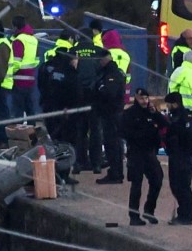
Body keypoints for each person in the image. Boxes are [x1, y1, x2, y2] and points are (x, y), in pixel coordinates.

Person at [122, 88, 167, 225]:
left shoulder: (151, 112)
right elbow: (124, 132)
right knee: (137, 184)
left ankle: (149, 210)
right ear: (136, 98)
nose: (144, 101)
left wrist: (156, 113)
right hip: (136, 153)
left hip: (149, 152)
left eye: (146, 98)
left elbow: (165, 124)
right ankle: (134, 216)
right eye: (142, 98)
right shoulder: (130, 114)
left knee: (157, 179)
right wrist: (141, 135)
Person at [37, 44, 79, 184]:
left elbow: (42, 86)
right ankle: (63, 175)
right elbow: (75, 92)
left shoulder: (49, 68)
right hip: (66, 113)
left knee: (54, 141)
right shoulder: (70, 72)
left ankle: (53, 173)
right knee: (66, 144)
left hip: (50, 109)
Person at [164, 92, 192, 225]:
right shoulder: (174, 116)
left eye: (169, 104)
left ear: (175, 104)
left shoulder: (186, 117)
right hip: (175, 155)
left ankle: (186, 215)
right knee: (175, 185)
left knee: (183, 186)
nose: (168, 107)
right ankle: (182, 213)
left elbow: (188, 137)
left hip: (184, 156)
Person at [71, 31, 103, 174]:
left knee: (80, 130)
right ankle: (96, 164)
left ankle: (79, 162)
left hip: (78, 95)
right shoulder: (100, 51)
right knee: (95, 129)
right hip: (95, 95)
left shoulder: (73, 51)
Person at [93, 49, 126, 184]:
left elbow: (110, 93)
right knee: (112, 144)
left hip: (112, 113)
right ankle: (115, 172)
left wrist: (100, 87)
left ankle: (116, 174)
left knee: (113, 144)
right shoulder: (108, 72)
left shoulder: (112, 74)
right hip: (110, 113)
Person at [9, 15, 40, 119]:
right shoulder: (34, 39)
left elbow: (16, 62)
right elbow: (37, 60)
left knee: (18, 110)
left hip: (19, 79)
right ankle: (32, 128)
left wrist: (9, 73)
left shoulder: (19, 40)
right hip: (30, 78)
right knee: (30, 108)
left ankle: (18, 129)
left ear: (15, 26)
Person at [102, 28, 131, 101]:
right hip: (122, 86)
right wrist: (126, 83)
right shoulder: (126, 55)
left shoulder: (106, 54)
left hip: (109, 87)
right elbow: (128, 73)